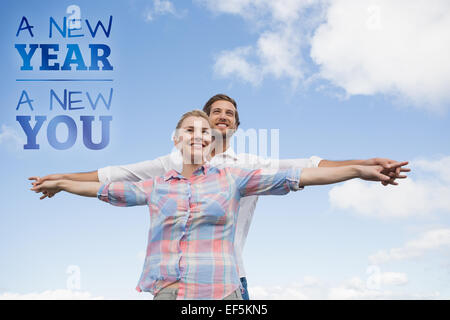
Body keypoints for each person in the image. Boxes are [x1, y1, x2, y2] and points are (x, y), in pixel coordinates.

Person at [29, 94, 410, 299]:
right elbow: (114, 178)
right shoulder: (168, 168)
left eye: (230, 113)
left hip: (230, 277)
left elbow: (305, 167)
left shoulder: (244, 167)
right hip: (175, 281)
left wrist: (362, 165)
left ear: (236, 125)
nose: (223, 117)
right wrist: (60, 179)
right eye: (215, 112)